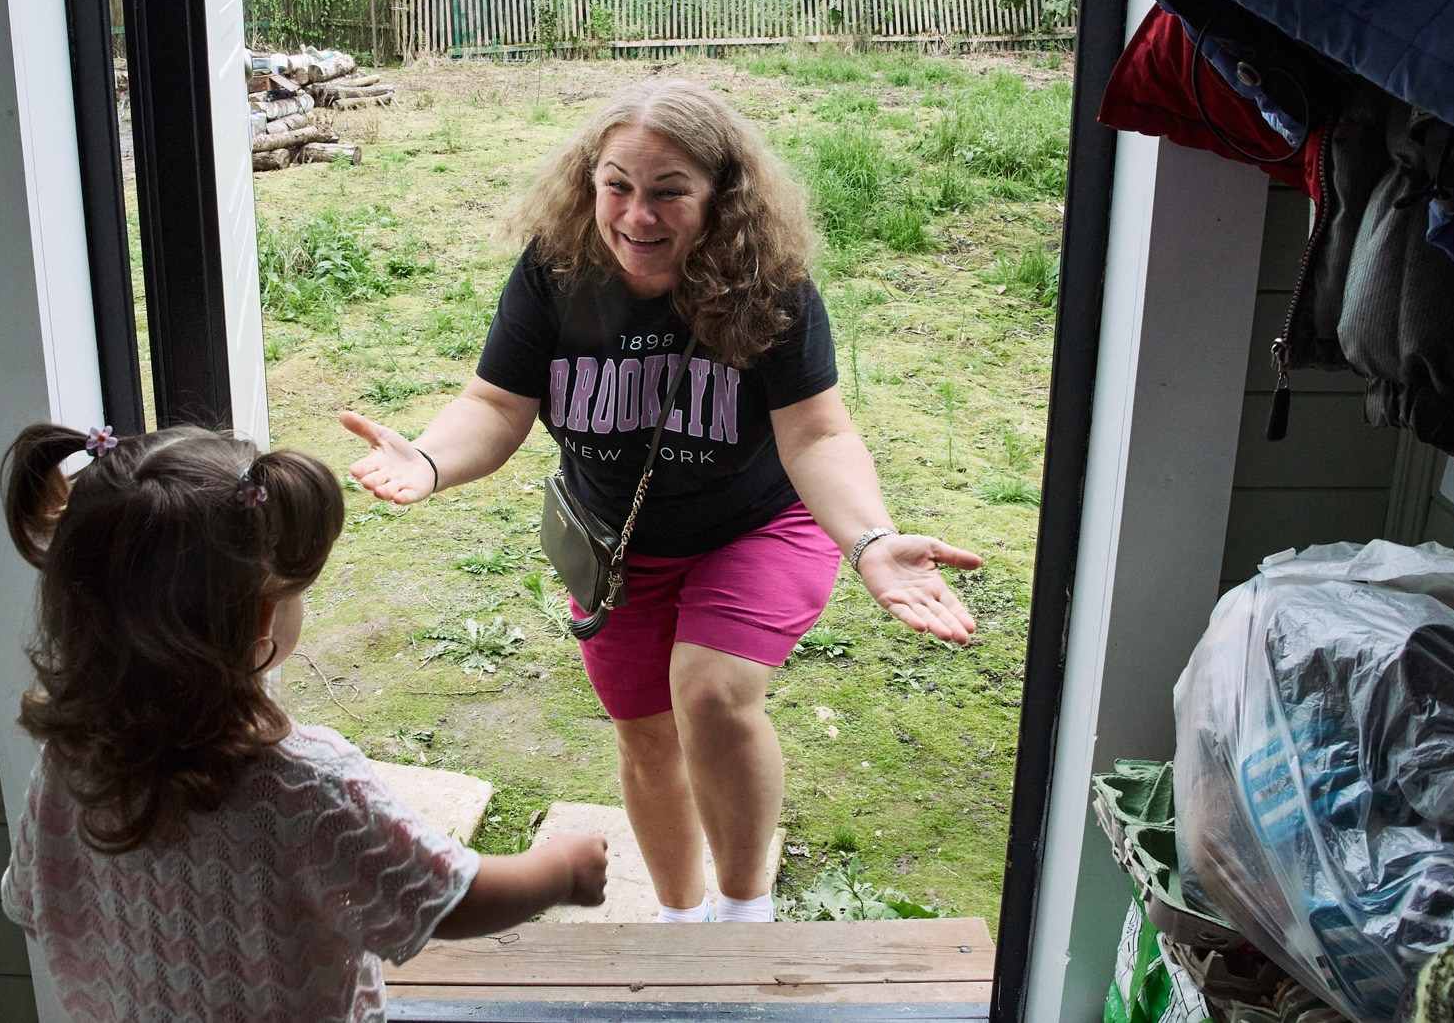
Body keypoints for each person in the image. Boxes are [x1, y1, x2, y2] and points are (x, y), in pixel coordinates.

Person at [341, 76, 981, 926]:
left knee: (710, 691)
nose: (637, 216)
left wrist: (871, 541)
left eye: (669, 192)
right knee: (645, 733)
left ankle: (745, 913)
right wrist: (427, 458)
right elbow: (495, 406)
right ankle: (681, 922)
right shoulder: (555, 270)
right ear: (590, 181)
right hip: (618, 544)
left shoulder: (769, 284)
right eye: (618, 186)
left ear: (720, 197)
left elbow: (819, 436)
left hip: (755, 523)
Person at [0, 423, 608, 1022]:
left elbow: (30, 900)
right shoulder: (303, 786)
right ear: (264, 618)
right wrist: (560, 871)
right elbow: (441, 898)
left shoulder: (73, 763)